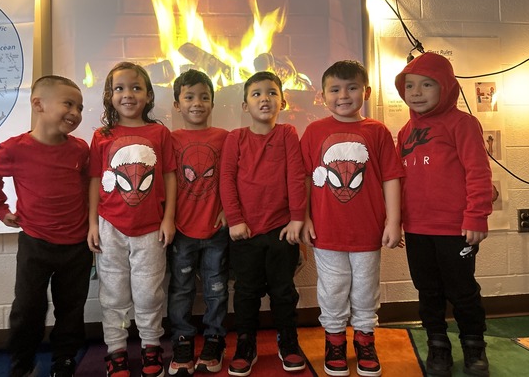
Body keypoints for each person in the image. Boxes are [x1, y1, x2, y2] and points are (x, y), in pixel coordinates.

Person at [0, 75, 92, 377]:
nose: (76, 113)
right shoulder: (15, 149)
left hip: (77, 245)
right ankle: (23, 363)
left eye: (80, 107)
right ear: (38, 104)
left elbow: (89, 186)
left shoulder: (80, 150)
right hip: (35, 243)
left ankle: (64, 361)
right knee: (28, 309)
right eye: (68, 104)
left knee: (71, 309)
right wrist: (1, 210)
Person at [300, 60, 404, 377]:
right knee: (331, 289)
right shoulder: (315, 131)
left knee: (365, 289)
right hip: (326, 231)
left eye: (352, 88)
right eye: (335, 89)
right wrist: (303, 217)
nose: (343, 95)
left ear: (366, 92)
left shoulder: (378, 131)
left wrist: (393, 221)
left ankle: (364, 339)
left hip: (367, 231)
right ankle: (334, 341)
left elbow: (391, 177)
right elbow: (303, 177)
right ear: (322, 95)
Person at [395, 52, 492, 377]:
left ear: (447, 88)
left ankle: (474, 345)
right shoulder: (405, 131)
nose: (417, 92)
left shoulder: (462, 124)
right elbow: (398, 182)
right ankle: (438, 346)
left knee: (462, 291)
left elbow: (478, 173)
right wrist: (395, 222)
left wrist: (476, 217)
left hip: (456, 230)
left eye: (427, 84)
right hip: (418, 229)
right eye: (410, 85)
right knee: (428, 291)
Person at [88, 62, 177, 377]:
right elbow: (96, 180)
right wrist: (92, 224)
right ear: (110, 96)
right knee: (113, 292)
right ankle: (116, 350)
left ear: (149, 95)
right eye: (120, 88)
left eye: (136, 88)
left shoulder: (159, 133)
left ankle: (151, 345)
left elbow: (168, 176)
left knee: (149, 290)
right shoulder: (102, 135)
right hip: (110, 226)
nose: (128, 94)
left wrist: (168, 218)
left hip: (151, 227)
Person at [220, 71, 307, 376]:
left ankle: (289, 340)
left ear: (282, 101)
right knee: (245, 291)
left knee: (283, 290)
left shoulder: (287, 135)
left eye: (271, 93)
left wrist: (297, 218)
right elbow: (227, 180)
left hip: (282, 229)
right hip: (245, 233)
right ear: (245, 105)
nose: (264, 98)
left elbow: (296, 177)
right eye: (256, 94)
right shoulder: (236, 138)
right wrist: (235, 220)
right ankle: (246, 342)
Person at [167, 69, 230, 376]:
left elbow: (235, 178)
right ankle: (182, 341)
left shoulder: (224, 138)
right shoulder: (170, 139)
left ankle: (215, 338)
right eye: (189, 97)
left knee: (216, 288)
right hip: (181, 230)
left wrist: (230, 211)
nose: (197, 103)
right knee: (180, 289)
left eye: (204, 97)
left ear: (213, 102)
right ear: (177, 103)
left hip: (216, 230)